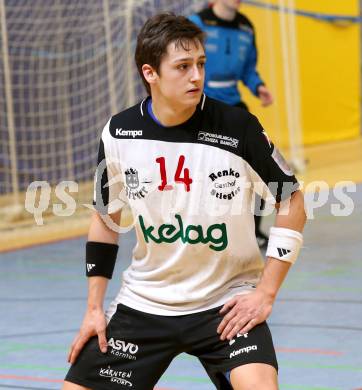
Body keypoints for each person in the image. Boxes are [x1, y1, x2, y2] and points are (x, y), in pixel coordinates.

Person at [63, 13, 306, 390]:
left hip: (226, 304)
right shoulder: (118, 133)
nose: (196, 76)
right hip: (146, 302)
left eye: (200, 64)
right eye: (183, 66)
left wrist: (265, 293)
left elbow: (293, 202)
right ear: (151, 73)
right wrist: (94, 308)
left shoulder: (238, 127)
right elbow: (105, 220)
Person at [189, 0, 274, 248]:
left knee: (258, 165)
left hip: (234, 106)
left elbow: (249, 69)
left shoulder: (246, 27)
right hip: (201, 107)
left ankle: (253, 231)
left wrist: (259, 86)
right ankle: (201, 232)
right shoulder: (197, 24)